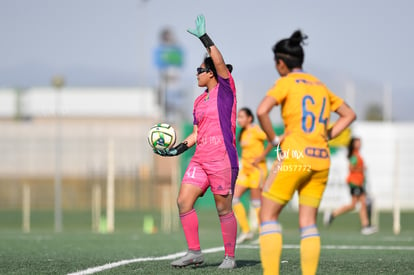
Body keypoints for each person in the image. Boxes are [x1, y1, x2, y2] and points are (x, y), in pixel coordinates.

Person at [256, 30, 356, 275]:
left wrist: (273, 138)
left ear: (281, 63)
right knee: (308, 223)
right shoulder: (320, 85)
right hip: (321, 160)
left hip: (295, 157)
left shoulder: (285, 82)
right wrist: (328, 134)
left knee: (267, 215)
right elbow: (349, 114)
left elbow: (261, 111)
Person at [154, 15, 238, 269]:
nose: (197, 74)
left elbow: (220, 61)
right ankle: (194, 252)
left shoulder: (226, 90)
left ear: (211, 73)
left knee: (223, 209)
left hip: (222, 158)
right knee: (183, 201)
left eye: (200, 70)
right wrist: (176, 150)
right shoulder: (198, 102)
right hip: (201, 158)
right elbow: (196, 134)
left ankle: (230, 258)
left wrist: (205, 38)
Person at [233, 107, 273, 244]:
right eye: (238, 117)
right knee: (234, 198)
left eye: (242, 117)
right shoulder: (243, 133)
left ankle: (264, 234)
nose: (239, 120)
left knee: (256, 202)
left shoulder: (256, 130)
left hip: (257, 170)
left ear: (250, 118)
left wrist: (261, 157)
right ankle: (246, 230)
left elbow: (272, 140)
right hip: (246, 171)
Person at [324, 137, 377, 235]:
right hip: (354, 182)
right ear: (353, 144)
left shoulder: (357, 154)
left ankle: (365, 225)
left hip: (358, 182)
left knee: (358, 204)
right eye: (357, 143)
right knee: (358, 204)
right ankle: (364, 226)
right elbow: (351, 167)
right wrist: (362, 168)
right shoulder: (354, 155)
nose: (360, 144)